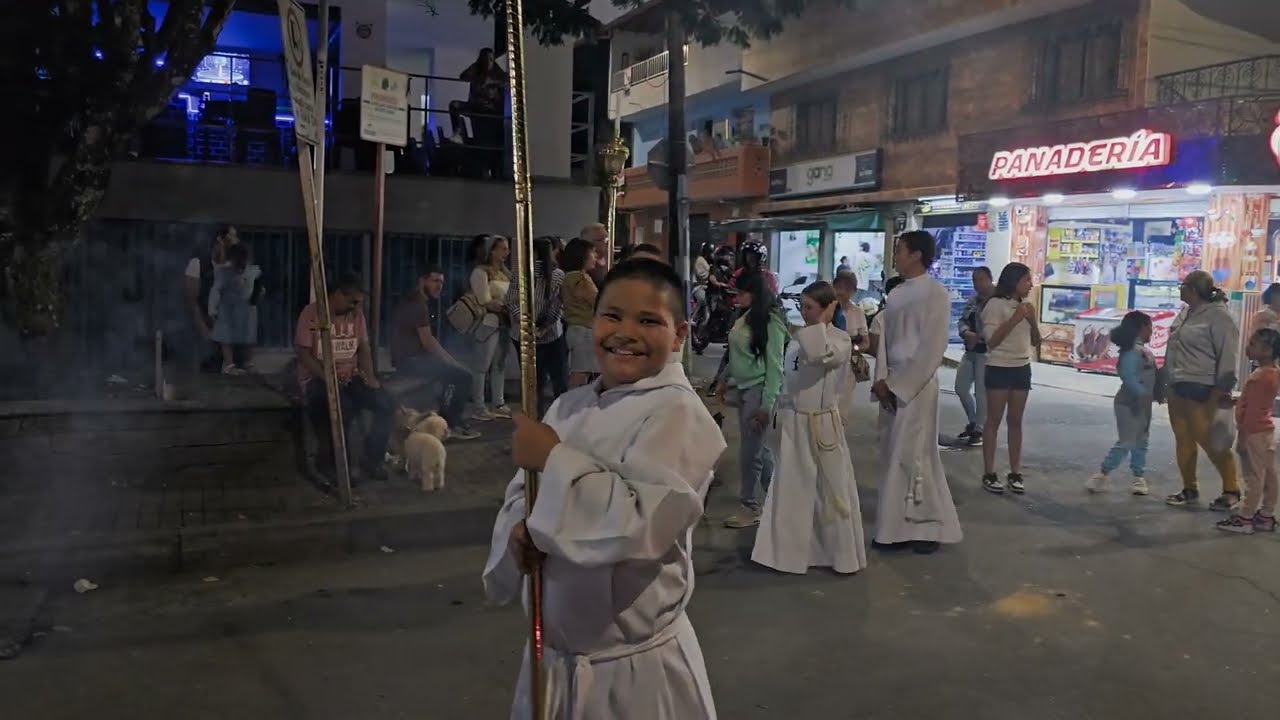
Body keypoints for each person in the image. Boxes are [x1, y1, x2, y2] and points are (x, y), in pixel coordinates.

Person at [482, 259, 725, 719]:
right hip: (553, 660)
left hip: (630, 672)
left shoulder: (678, 413)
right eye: (612, 315)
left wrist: (552, 459)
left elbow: (639, 525)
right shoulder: (568, 406)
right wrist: (521, 532)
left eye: (649, 320)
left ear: (678, 334)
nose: (625, 332)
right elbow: (523, 495)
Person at [752, 281, 867, 575]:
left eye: (811, 308)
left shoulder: (838, 339)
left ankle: (834, 553)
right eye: (802, 307)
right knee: (793, 489)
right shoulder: (800, 338)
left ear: (827, 308)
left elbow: (821, 355)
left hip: (821, 423)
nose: (805, 314)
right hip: (794, 421)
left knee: (829, 489)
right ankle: (788, 553)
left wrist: (823, 320)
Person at [871, 231, 962, 555]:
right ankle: (895, 527)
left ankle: (925, 526)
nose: (896, 256)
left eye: (900, 250)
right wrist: (881, 379)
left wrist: (901, 387)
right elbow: (883, 339)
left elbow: (932, 348)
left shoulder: (936, 294)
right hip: (893, 383)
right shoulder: (897, 295)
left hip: (917, 387)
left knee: (915, 455)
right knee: (891, 454)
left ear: (917, 255)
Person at [295, 273, 395, 482]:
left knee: (387, 402)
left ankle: (373, 458)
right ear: (338, 294)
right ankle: (340, 465)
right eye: (353, 301)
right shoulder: (313, 313)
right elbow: (303, 353)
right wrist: (327, 378)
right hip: (318, 380)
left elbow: (364, 349)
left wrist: (370, 377)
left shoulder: (357, 316)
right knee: (343, 408)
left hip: (350, 377)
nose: (357, 307)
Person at [1164, 270, 1240, 510]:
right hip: (1177, 385)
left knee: (1210, 441)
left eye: (1182, 285)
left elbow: (1228, 355)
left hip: (1203, 387)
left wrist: (1222, 389)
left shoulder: (1219, 317)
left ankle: (1231, 489)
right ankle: (1189, 488)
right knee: (1183, 439)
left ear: (1194, 290)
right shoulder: (1186, 313)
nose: (1179, 288)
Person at [717, 272, 787, 529]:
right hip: (744, 390)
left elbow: (775, 368)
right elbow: (734, 354)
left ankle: (750, 506)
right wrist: (724, 379)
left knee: (750, 453)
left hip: (759, 391)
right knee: (758, 448)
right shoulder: (744, 318)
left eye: (743, 292)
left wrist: (766, 406)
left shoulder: (771, 323)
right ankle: (777, 496)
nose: (738, 297)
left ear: (755, 294)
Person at [391, 266, 481, 441]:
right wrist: (450, 361)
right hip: (411, 361)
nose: (439, 286)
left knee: (454, 373)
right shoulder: (417, 304)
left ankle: (442, 418)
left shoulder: (416, 301)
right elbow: (428, 341)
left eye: (441, 282)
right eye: (435, 281)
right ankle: (450, 424)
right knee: (463, 376)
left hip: (414, 359)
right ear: (422, 281)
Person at [979, 263, 1039, 494]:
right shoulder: (994, 305)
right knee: (993, 420)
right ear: (1014, 281)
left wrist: (1032, 320)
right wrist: (1015, 318)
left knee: (1016, 421)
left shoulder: (1025, 306)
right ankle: (989, 471)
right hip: (999, 367)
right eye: (1026, 280)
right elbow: (992, 341)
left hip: (1022, 367)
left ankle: (1015, 472)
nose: (1031, 284)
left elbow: (1035, 341)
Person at [1217, 327, 1280, 534]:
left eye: (1253, 344)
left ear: (1268, 350)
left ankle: (1245, 518)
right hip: (1266, 432)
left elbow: (1252, 412)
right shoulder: (1273, 373)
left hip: (1253, 433)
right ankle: (1266, 515)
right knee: (1269, 474)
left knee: (1253, 476)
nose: (1247, 347)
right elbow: (1257, 403)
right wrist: (1236, 401)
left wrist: (1243, 438)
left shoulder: (1259, 377)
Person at [1087, 311, 1157, 496]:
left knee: (1141, 440)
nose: (1152, 331)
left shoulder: (1141, 351)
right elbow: (1128, 376)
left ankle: (1138, 476)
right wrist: (1142, 393)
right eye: (1150, 327)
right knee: (1127, 440)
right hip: (1128, 404)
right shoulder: (1133, 352)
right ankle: (1102, 473)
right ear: (1142, 328)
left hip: (1143, 404)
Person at [504, 236, 569, 418]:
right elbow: (560, 307)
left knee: (533, 384)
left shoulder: (521, 272)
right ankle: (561, 421)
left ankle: (535, 423)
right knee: (559, 381)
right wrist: (542, 329)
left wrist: (527, 325)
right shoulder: (559, 275)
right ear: (553, 252)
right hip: (551, 334)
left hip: (523, 335)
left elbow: (510, 301)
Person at [467, 234, 513, 421]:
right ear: (491, 250)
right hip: (488, 323)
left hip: (504, 322)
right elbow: (483, 300)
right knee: (482, 366)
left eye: (507, 248)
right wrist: (504, 306)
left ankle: (498, 402)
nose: (506, 252)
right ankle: (478, 405)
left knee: (499, 365)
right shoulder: (481, 272)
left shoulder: (505, 273)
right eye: (502, 248)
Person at [182, 224, 238, 374]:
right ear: (220, 239)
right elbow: (192, 301)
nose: (236, 240)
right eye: (232, 236)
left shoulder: (232, 266)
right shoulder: (198, 264)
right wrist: (204, 330)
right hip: (203, 330)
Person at [208, 242, 262, 375]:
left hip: (247, 307)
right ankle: (229, 364)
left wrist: (258, 296)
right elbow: (215, 291)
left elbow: (258, 287)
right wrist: (212, 310)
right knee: (226, 336)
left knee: (249, 334)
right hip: (228, 308)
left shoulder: (253, 271)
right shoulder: (223, 272)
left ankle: (248, 362)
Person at [955, 266, 995, 445]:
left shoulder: (996, 301)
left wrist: (978, 337)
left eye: (981, 280)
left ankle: (980, 428)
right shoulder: (973, 300)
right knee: (961, 388)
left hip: (985, 352)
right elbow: (962, 320)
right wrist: (966, 333)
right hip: (970, 350)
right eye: (975, 280)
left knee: (981, 392)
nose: (977, 284)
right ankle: (973, 421)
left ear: (989, 279)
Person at [560, 237, 600, 388]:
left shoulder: (572, 276)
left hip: (578, 329)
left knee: (582, 373)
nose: (595, 257)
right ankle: (570, 408)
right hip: (583, 330)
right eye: (593, 253)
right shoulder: (578, 278)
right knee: (580, 375)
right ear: (582, 255)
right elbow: (596, 301)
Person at [448, 48, 507, 143]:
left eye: (491, 59)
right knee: (454, 105)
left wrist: (492, 82)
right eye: (486, 60)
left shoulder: (496, 70)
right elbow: (463, 76)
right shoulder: (476, 68)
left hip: (488, 108)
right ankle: (457, 132)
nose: (489, 63)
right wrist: (478, 77)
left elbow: (507, 81)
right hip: (474, 105)